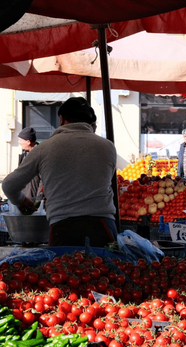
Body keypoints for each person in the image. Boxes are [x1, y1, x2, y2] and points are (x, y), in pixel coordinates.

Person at [2, 97, 119, 247]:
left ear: (61, 119)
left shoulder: (45, 148)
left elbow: (9, 185)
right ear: (91, 123)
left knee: (64, 269)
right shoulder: (108, 147)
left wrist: (21, 200)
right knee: (105, 268)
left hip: (63, 228)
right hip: (103, 226)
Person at [16, 127, 42, 200]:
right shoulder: (24, 154)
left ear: (28, 142)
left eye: (20, 140)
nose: (19, 142)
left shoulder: (39, 155)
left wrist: (38, 200)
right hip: (23, 197)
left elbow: (43, 180)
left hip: (33, 199)